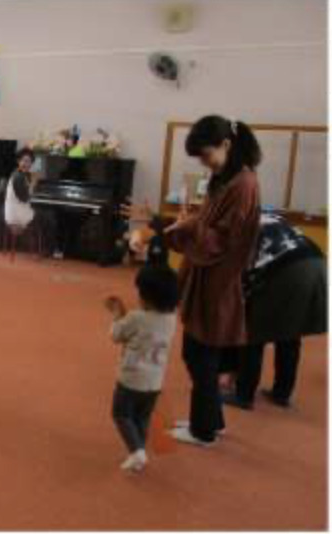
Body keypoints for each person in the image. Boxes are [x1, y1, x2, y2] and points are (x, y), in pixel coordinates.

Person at [163, 115, 262, 447]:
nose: (205, 163)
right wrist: (186, 223)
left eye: (206, 155)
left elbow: (220, 239)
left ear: (226, 145)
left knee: (200, 354)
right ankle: (211, 420)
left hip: (219, 280)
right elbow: (207, 221)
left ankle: (203, 431)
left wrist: (181, 230)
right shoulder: (227, 178)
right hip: (208, 276)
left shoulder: (243, 184)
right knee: (199, 352)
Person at [222, 213, 327, 410]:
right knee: (289, 333)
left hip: (286, 271)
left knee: (252, 333)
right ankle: (282, 393)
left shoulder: (236, 227)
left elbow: (243, 277)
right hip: (318, 265)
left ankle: (244, 394)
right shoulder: (269, 216)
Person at [106, 265, 179, 472]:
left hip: (130, 379)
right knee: (142, 417)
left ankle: (137, 451)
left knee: (121, 414)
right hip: (155, 381)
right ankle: (139, 450)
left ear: (146, 296)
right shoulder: (171, 319)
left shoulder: (137, 317)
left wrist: (117, 314)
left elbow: (115, 335)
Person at [4, 148, 61, 258]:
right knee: (49, 217)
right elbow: (25, 198)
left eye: (29, 161)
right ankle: (48, 250)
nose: (26, 164)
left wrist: (32, 182)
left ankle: (47, 248)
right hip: (17, 214)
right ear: (18, 161)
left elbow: (27, 192)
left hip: (19, 210)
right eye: (24, 161)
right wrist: (33, 183)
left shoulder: (21, 174)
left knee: (45, 215)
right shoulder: (18, 177)